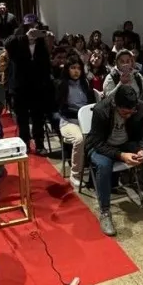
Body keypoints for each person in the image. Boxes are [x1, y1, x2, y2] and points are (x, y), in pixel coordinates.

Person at [86, 86, 143, 236]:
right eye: (124, 112)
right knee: (104, 166)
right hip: (102, 146)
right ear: (115, 105)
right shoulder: (101, 110)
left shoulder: (141, 107)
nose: (129, 116)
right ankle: (105, 211)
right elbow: (97, 143)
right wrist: (121, 155)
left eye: (132, 112)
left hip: (126, 142)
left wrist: (142, 150)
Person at [56, 56, 96, 189]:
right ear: (67, 69)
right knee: (79, 139)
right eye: (73, 68)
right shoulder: (62, 85)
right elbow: (62, 109)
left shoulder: (85, 83)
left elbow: (91, 104)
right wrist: (80, 114)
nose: (76, 71)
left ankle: (96, 172)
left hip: (86, 122)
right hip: (69, 122)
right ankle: (75, 175)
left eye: (78, 68)